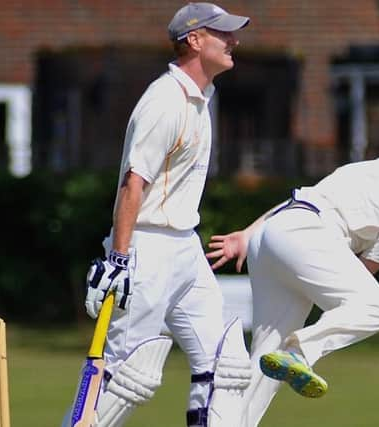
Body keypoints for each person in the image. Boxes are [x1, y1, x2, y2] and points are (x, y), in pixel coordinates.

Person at [66, 4, 252, 427]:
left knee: (227, 364)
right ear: (194, 39)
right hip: (147, 246)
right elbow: (134, 182)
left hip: (184, 246)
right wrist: (119, 257)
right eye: (223, 34)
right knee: (130, 374)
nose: (234, 41)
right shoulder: (164, 101)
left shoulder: (204, 99)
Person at [206, 116, 379, 426]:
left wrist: (247, 233)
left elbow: (301, 198)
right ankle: (301, 350)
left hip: (271, 236)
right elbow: (368, 266)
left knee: (265, 359)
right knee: (375, 308)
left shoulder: (365, 168)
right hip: (307, 238)